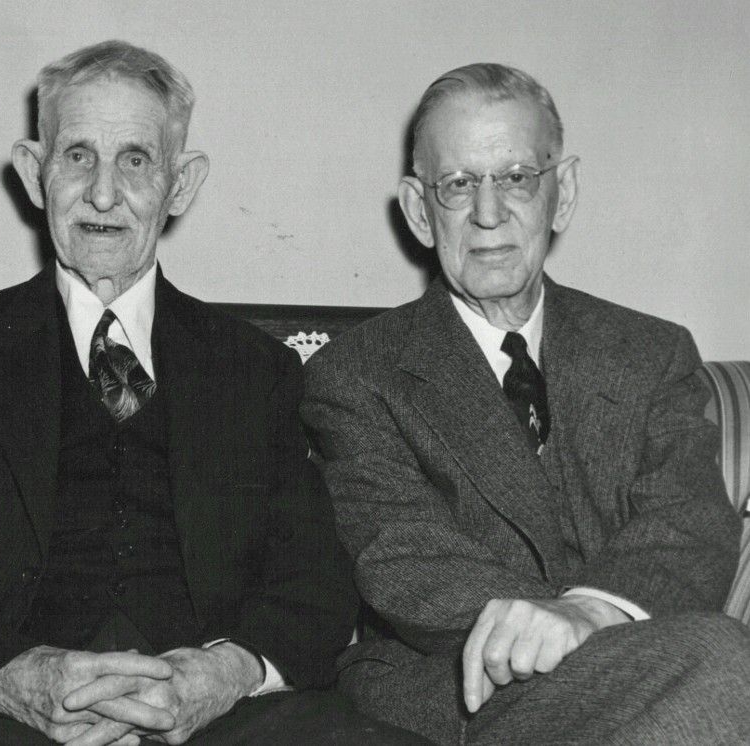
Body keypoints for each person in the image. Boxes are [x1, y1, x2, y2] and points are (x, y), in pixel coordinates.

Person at [0, 41, 420, 746]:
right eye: (78, 156)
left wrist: (225, 673)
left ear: (180, 184)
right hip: (0, 717)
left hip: (218, 720)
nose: (103, 193)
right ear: (32, 171)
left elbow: (316, 581)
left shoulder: (253, 369)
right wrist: (11, 678)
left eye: (135, 160)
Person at [302, 62, 750, 744]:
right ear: (420, 211)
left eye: (515, 178)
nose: (488, 214)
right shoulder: (355, 374)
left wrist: (590, 612)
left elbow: (690, 520)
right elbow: (402, 560)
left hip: (651, 661)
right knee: (720, 665)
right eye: (457, 185)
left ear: (560, 193)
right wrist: (559, 625)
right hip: (459, 690)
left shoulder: (650, 351)